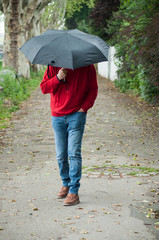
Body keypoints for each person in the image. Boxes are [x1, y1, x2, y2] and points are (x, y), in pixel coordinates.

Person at [40, 64, 98, 206]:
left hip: (76, 116)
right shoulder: (53, 66)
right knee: (61, 154)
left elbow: (93, 90)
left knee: (74, 153)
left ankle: (74, 191)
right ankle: (65, 183)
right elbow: (44, 88)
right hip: (57, 116)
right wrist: (58, 78)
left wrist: (84, 108)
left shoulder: (87, 67)